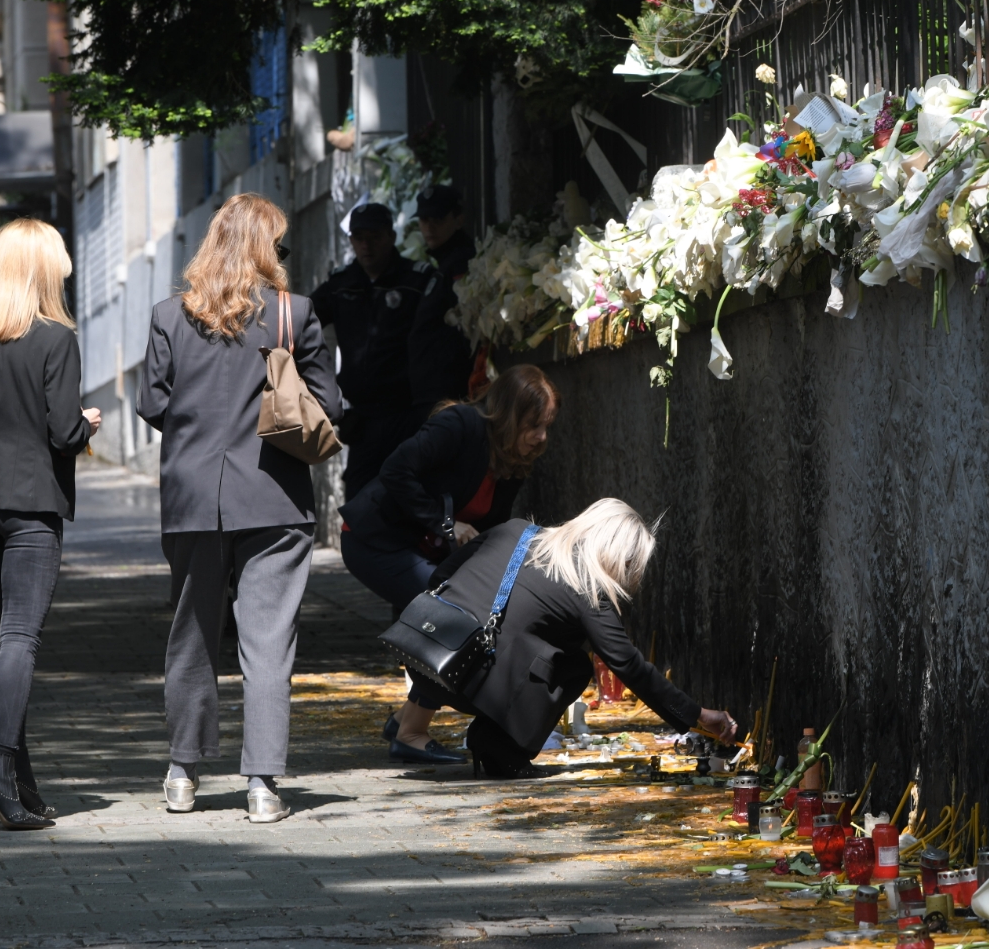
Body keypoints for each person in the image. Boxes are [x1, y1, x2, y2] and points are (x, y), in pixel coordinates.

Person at [136, 193, 341, 824]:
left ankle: (181, 775)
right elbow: (327, 402)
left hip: (194, 495)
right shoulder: (294, 314)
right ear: (264, 248)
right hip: (275, 497)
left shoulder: (170, 315)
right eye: (278, 243)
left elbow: (151, 404)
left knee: (191, 636)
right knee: (268, 643)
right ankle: (262, 786)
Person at [0, 218, 103, 829]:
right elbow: (64, 432)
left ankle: (21, 784)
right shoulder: (56, 339)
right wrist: (88, 423)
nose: (67, 264)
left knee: (12, 641)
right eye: (60, 256)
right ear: (42, 267)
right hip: (32, 506)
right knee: (20, 641)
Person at [417, 498, 739, 779]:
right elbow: (628, 665)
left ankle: (491, 739)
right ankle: (502, 747)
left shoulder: (515, 530)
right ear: (618, 555)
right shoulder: (587, 589)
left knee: (544, 644)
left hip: (429, 656)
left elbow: (441, 576)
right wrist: (697, 714)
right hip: (466, 677)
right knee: (574, 667)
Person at [339, 364, 559, 764]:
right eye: (533, 425)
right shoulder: (460, 425)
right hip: (373, 538)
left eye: (546, 426)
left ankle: (405, 719)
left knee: (468, 610)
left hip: (425, 546)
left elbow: (494, 530)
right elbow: (396, 471)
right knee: (449, 620)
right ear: (509, 415)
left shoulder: (511, 456)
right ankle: (411, 734)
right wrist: (446, 522)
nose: (541, 438)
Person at [309, 203, 433, 500]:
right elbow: (300, 324)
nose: (366, 245)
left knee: (409, 496)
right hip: (361, 419)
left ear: (391, 236)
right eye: (358, 237)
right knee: (358, 502)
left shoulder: (416, 281)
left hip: (407, 413)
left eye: (374, 237)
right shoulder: (341, 285)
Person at [406, 184, 476, 415]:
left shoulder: (462, 263)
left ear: (458, 220)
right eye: (424, 220)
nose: (429, 227)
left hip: (448, 394)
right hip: (433, 394)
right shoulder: (445, 264)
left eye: (437, 218)